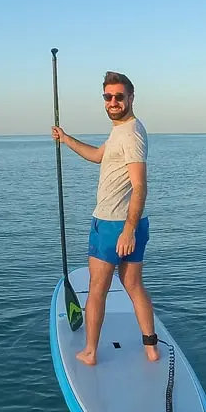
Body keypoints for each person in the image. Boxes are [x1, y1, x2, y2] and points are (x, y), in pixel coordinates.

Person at [51, 70, 159, 366]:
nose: (113, 102)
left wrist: (127, 230)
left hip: (114, 225)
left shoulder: (131, 134)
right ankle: (151, 349)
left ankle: (90, 352)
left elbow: (140, 185)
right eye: (108, 97)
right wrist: (66, 139)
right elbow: (99, 155)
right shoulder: (122, 131)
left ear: (131, 98)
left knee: (97, 289)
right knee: (134, 285)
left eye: (118, 97)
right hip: (130, 225)